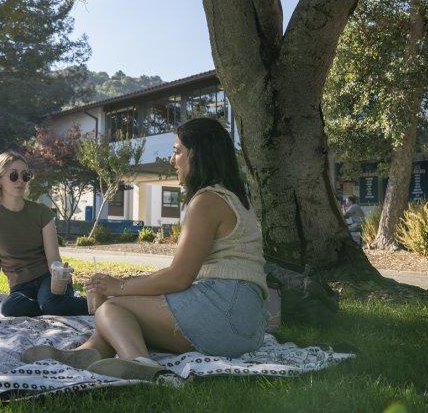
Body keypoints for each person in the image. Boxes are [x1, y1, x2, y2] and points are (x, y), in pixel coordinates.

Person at [21, 118, 267, 381]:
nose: (173, 160)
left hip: (223, 311)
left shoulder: (207, 201)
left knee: (112, 308)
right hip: (245, 322)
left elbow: (178, 277)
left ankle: (140, 364)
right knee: (124, 311)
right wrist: (124, 285)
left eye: (178, 151)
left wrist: (120, 287)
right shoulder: (234, 197)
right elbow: (183, 272)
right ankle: (90, 351)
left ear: (198, 154)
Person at [0, 151, 88, 317]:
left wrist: (60, 282)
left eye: (25, 175)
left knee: (50, 303)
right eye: (13, 175)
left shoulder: (41, 213)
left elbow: (53, 258)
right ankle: (50, 305)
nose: (20, 181)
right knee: (9, 308)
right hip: (21, 287)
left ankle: (99, 303)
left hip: (49, 278)